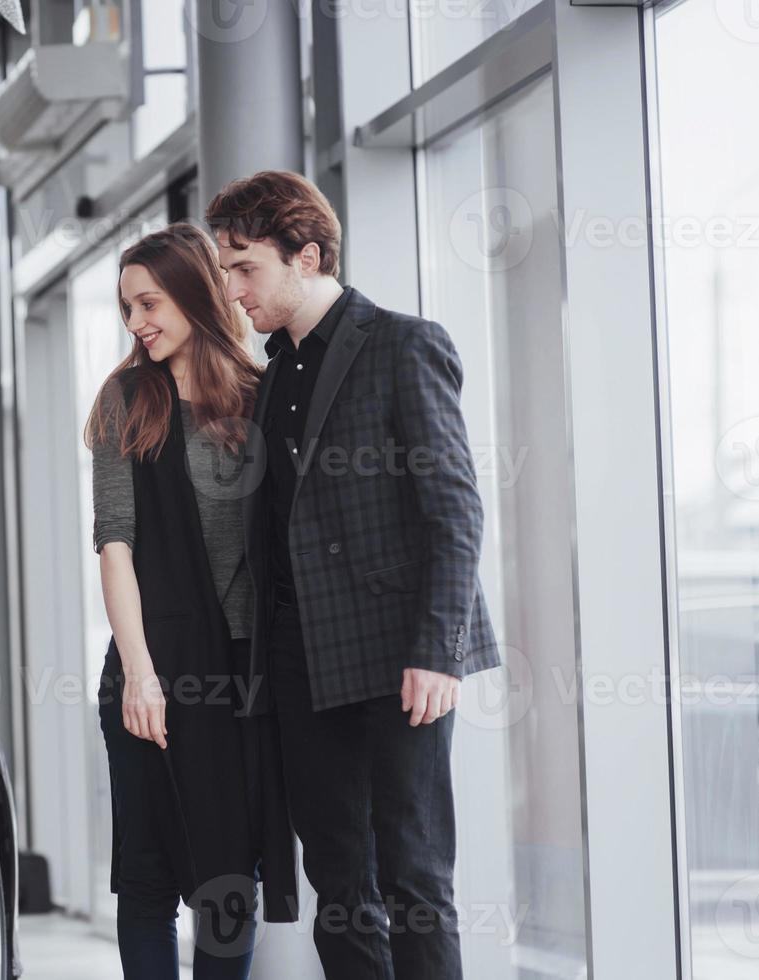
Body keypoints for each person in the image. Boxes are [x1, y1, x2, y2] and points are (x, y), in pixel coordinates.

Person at [206, 170, 502, 979]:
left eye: (244, 268)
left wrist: (438, 650)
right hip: (304, 663)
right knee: (336, 876)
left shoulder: (406, 343)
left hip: (399, 654)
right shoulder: (275, 378)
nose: (233, 290)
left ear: (307, 256)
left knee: (413, 871)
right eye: (226, 271)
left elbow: (455, 508)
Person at [85, 222, 299, 980]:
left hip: (243, 676)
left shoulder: (263, 395)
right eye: (128, 309)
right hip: (150, 669)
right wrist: (139, 673)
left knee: (227, 882)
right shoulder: (125, 400)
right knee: (146, 877)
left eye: (148, 302)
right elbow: (116, 544)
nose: (138, 322)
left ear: (195, 293)